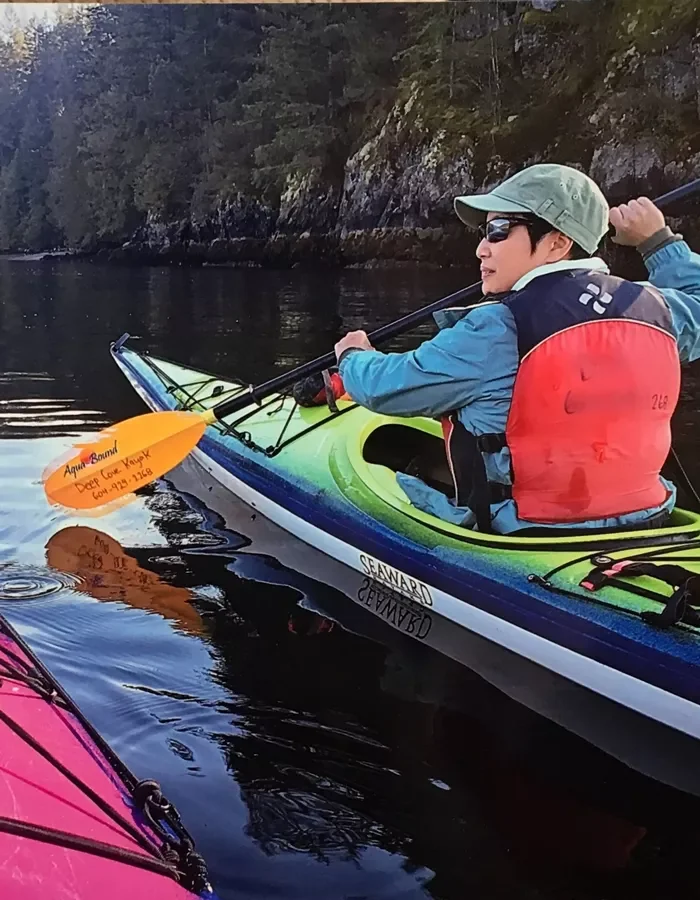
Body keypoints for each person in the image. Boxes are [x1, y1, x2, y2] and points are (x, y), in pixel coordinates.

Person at [332, 163, 700, 534]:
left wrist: (353, 356)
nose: (481, 249)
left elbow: (384, 389)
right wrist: (658, 242)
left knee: (396, 478)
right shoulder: (656, 307)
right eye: (484, 232)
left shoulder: (493, 326)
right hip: (649, 516)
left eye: (498, 231)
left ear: (557, 244)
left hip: (524, 529)